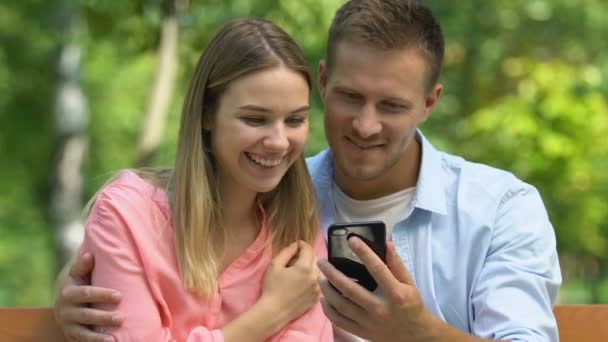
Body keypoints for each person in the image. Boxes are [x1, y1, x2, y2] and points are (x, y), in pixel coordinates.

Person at [55, 0, 562, 341]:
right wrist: (71, 299)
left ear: (430, 102)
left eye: (391, 105)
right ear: (323, 82)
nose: (365, 125)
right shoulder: (286, 200)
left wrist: (418, 332)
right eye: (349, 97)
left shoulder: (499, 208)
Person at [54, 18, 334, 342]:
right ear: (206, 115)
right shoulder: (127, 216)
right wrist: (270, 315)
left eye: (295, 120)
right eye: (255, 119)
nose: (279, 141)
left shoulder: (296, 230)